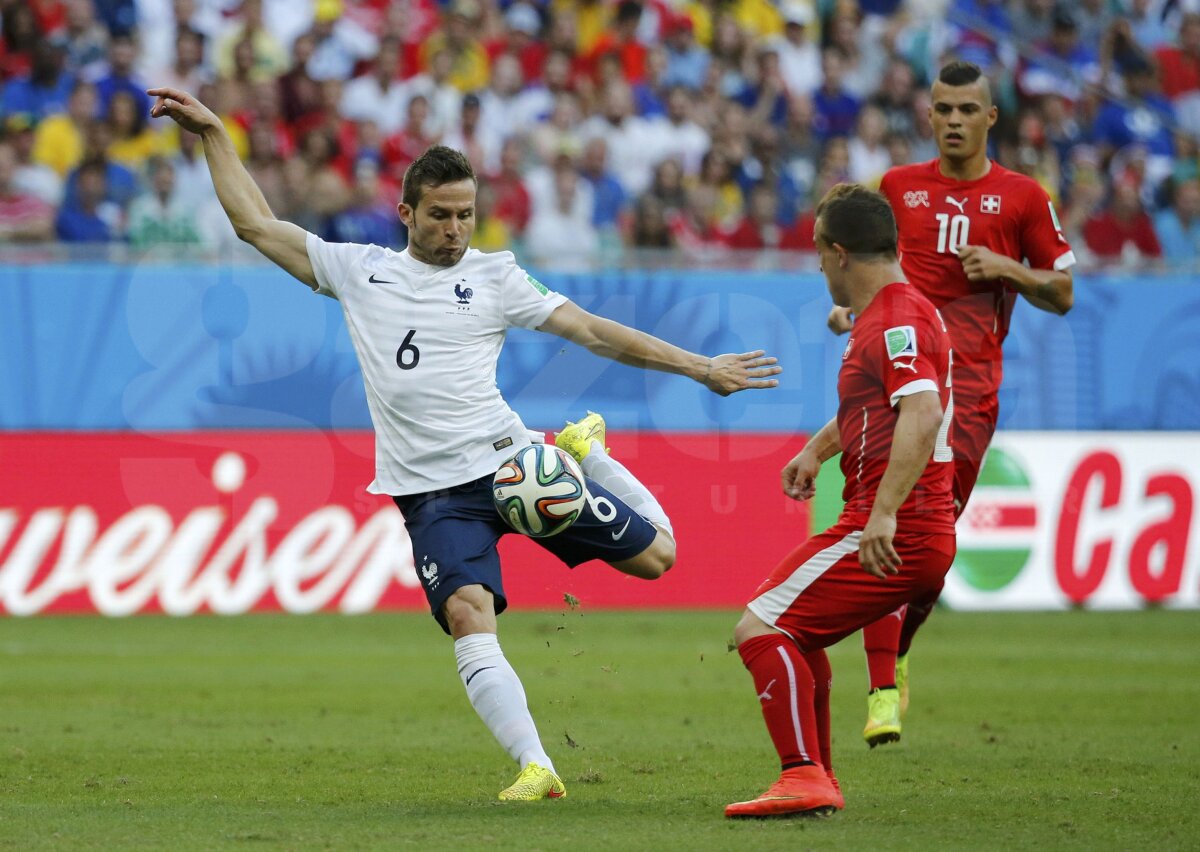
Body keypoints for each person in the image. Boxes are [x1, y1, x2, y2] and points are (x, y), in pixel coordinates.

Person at [147, 85, 782, 802]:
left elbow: (596, 330)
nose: (455, 230)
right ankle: (536, 765)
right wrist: (213, 134)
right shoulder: (361, 272)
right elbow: (257, 225)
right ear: (407, 213)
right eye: (441, 216)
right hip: (432, 493)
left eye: (466, 216)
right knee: (466, 613)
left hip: (517, 467)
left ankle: (589, 449)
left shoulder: (497, 276)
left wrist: (700, 368)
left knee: (658, 560)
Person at [827, 60, 1076, 746]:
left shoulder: (1023, 197)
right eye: (943, 109)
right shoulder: (896, 189)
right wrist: (848, 308)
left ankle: (897, 651)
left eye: (968, 109)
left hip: (968, 393)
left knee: (931, 549)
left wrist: (1009, 271)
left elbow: (1062, 293)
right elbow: (854, 256)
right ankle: (881, 688)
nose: (955, 121)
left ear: (991, 117)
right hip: (894, 381)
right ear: (929, 115)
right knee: (888, 517)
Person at [726, 183, 955, 818]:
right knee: (796, 634)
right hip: (906, 524)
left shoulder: (897, 321)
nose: (818, 266)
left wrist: (882, 512)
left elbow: (923, 410)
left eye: (818, 253)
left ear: (838, 252)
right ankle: (815, 776)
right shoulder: (900, 312)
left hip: (895, 525)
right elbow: (874, 408)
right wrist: (816, 451)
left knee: (761, 626)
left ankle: (803, 774)